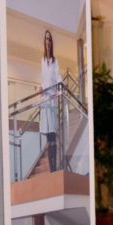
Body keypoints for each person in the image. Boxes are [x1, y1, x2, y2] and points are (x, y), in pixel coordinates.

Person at [41, 30, 63, 173]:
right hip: (44, 100)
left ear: (51, 43)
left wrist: (62, 84)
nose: (48, 42)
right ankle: (51, 169)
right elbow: (43, 79)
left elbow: (57, 76)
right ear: (44, 42)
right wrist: (41, 87)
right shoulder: (42, 60)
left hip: (52, 101)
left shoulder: (55, 61)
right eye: (46, 39)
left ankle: (54, 169)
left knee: (53, 134)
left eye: (50, 40)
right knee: (48, 137)